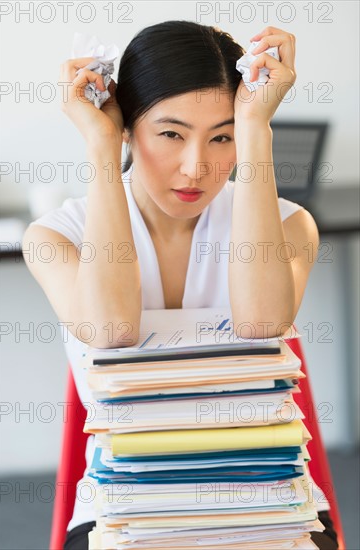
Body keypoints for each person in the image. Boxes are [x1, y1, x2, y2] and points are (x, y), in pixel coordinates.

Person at [23, 20, 338, 550]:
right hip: (127, 509)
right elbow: (112, 329)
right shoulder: (58, 237)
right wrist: (102, 146)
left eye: (222, 136)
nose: (197, 167)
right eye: (170, 134)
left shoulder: (287, 225)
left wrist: (256, 129)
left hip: (268, 504)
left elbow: (261, 323)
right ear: (128, 126)